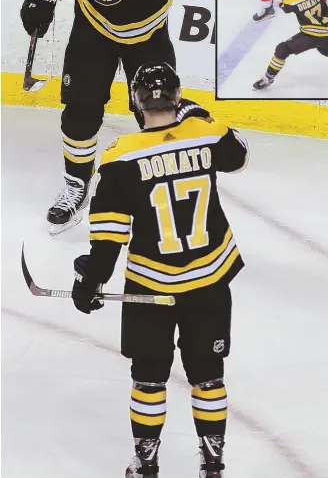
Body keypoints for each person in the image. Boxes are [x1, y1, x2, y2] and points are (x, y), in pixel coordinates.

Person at [71, 62, 249, 478]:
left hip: (151, 286)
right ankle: (212, 463)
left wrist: (93, 278)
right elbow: (238, 156)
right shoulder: (206, 134)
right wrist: (200, 114)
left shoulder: (119, 156)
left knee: (149, 377)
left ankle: (147, 462)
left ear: (135, 100)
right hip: (208, 279)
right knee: (208, 375)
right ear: (177, 95)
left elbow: (110, 231)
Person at [20, 0, 191, 236]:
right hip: (92, 27)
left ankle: (160, 190)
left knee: (156, 113)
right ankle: (76, 185)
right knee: (80, 109)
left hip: (145, 33)